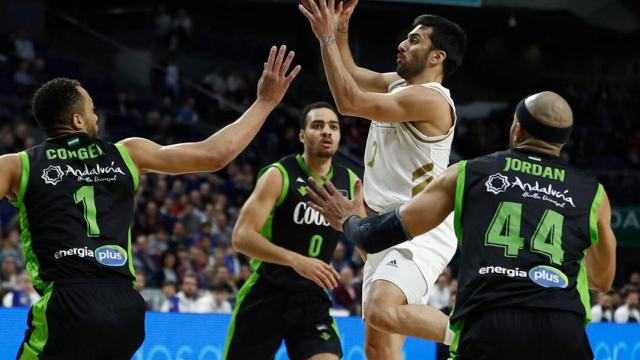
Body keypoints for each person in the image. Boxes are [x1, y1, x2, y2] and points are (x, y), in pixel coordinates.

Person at [0, 45, 301, 359]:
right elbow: (215, 155)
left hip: (69, 303)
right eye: (91, 110)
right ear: (77, 120)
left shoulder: (17, 165)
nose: (97, 117)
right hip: (125, 309)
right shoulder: (128, 152)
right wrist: (265, 103)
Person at [306, 91, 617, 359]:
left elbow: (376, 236)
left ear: (517, 129)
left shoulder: (469, 172)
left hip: (490, 322)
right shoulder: (592, 194)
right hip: (562, 328)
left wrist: (348, 220)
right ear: (563, 141)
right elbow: (602, 281)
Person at [300, 1, 467, 357]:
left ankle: (477, 334)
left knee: (381, 308)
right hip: (383, 226)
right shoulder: (398, 85)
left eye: (414, 40)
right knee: (378, 344)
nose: (402, 45)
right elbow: (352, 72)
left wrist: (326, 38)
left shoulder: (431, 101)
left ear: (437, 57)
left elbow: (347, 100)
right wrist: (341, 29)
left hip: (421, 225)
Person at [224, 102, 359, 360]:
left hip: (311, 298)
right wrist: (295, 260)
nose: (327, 132)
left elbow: (364, 244)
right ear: (302, 135)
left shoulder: (349, 182)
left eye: (334, 127)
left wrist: (357, 225)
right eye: (317, 126)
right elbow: (241, 237)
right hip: (267, 292)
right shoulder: (279, 174)